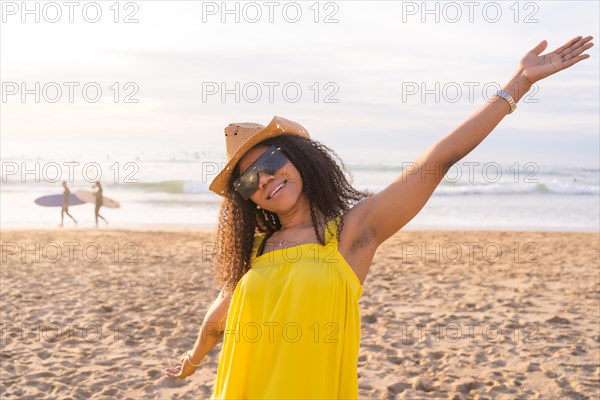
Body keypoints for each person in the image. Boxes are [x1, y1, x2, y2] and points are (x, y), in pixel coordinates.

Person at [164, 36, 593, 398]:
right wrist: (192, 359)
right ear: (248, 200)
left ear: (299, 159)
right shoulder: (254, 253)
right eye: (248, 181)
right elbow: (217, 319)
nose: (265, 180)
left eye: (272, 161)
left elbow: (438, 160)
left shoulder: (350, 234)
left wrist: (517, 84)